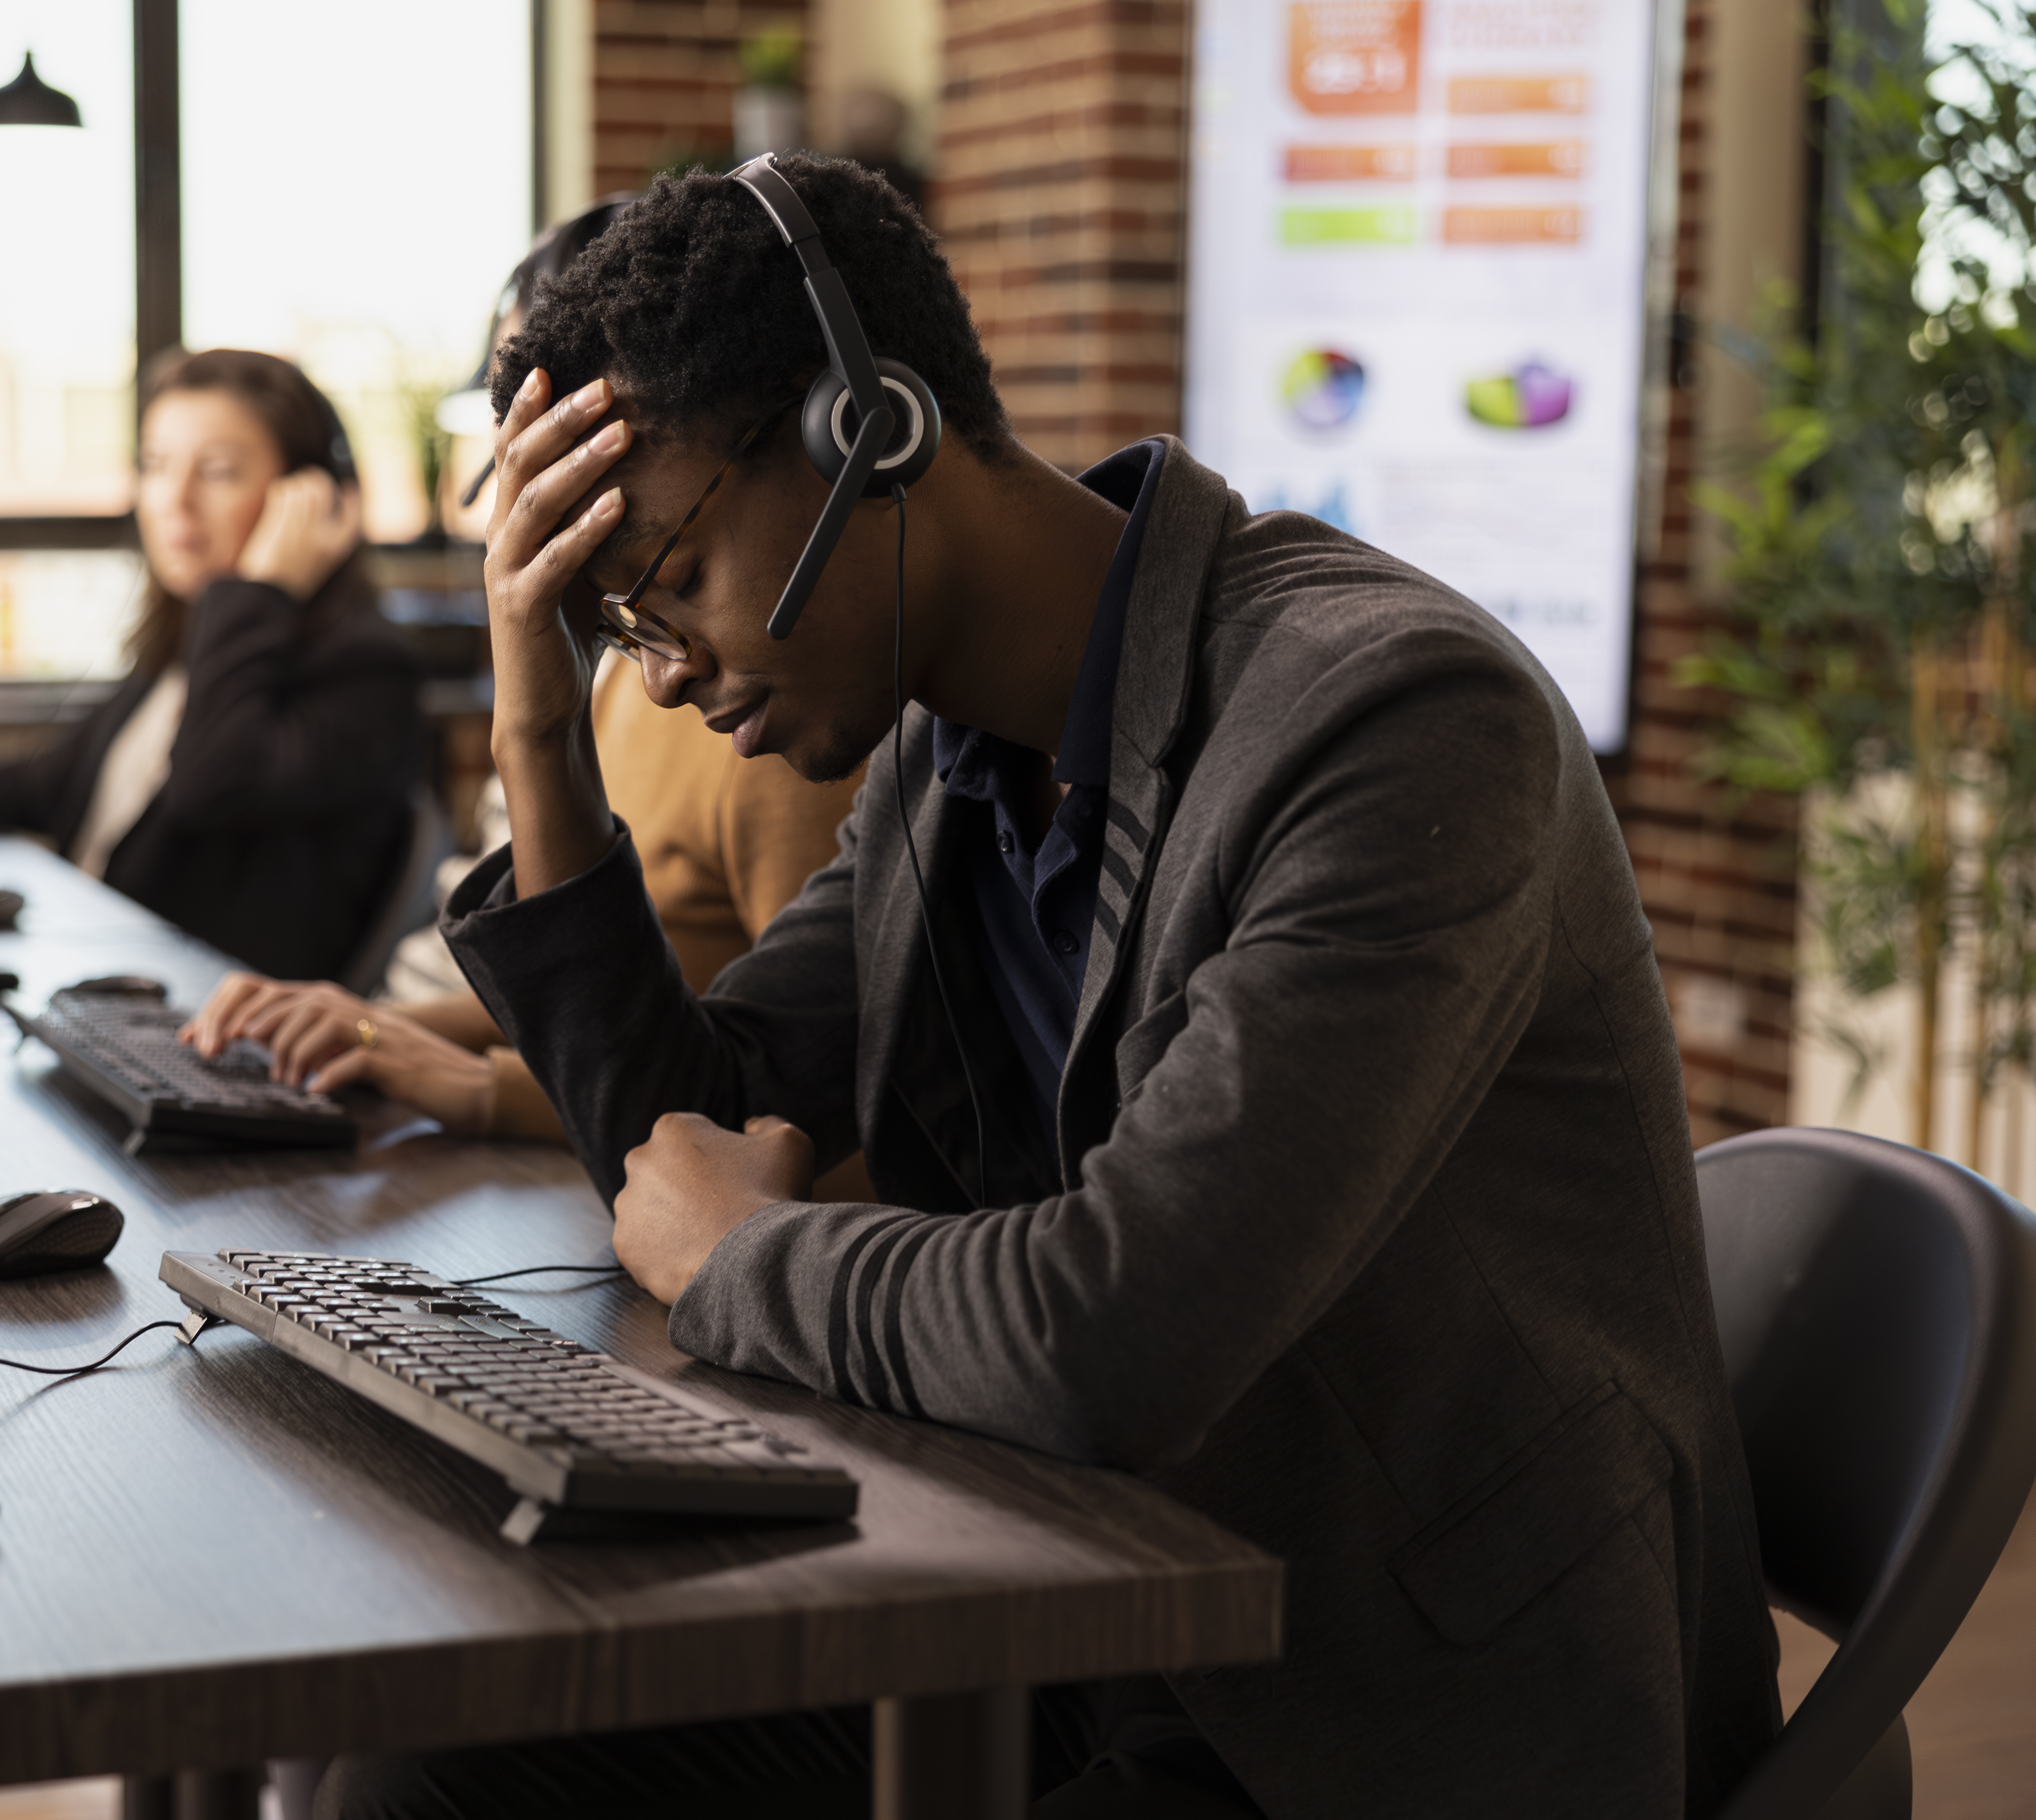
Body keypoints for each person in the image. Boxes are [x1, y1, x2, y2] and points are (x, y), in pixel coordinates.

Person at [315, 156, 1781, 1818]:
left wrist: (742, 1253)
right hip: (1081, 1606)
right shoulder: (947, 764)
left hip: (1387, 1699)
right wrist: (531, 732)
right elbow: (686, 1132)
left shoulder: (1391, 723)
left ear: (871, 432)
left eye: (669, 585)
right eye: (613, 626)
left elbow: (1116, 1331)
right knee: (427, 1771)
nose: (662, 670)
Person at [182, 200, 866, 1167]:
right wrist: (379, 1024)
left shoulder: (770, 714)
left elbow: (781, 1103)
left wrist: (467, 1084)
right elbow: (613, 1017)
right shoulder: (639, 681)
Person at [0, 349, 420, 981]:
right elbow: (45, 783)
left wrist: (258, 591)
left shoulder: (365, 671)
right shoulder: (187, 653)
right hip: (98, 987)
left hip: (205, 1027)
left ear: (309, 496)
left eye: (216, 471)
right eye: (156, 465)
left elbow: (208, 785)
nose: (173, 501)